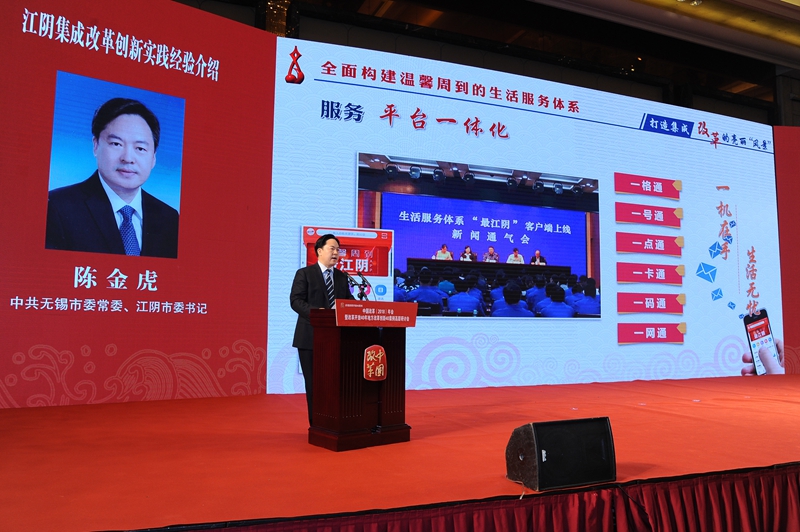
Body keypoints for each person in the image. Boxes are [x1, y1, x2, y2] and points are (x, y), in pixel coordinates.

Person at [45, 98, 179, 258]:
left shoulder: (170, 218)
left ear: (154, 158)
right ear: (96, 145)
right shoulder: (57, 207)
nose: (128, 158)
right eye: (116, 144)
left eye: (140, 148)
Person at [290, 234, 355, 426]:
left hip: (336, 339)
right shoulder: (305, 274)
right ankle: (317, 424)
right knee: (314, 384)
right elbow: (296, 300)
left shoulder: (342, 277)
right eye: (332, 248)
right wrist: (316, 313)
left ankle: (334, 422)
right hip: (310, 337)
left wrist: (358, 308)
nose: (336, 253)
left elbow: (348, 301)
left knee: (333, 383)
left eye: (338, 250)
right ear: (319, 251)